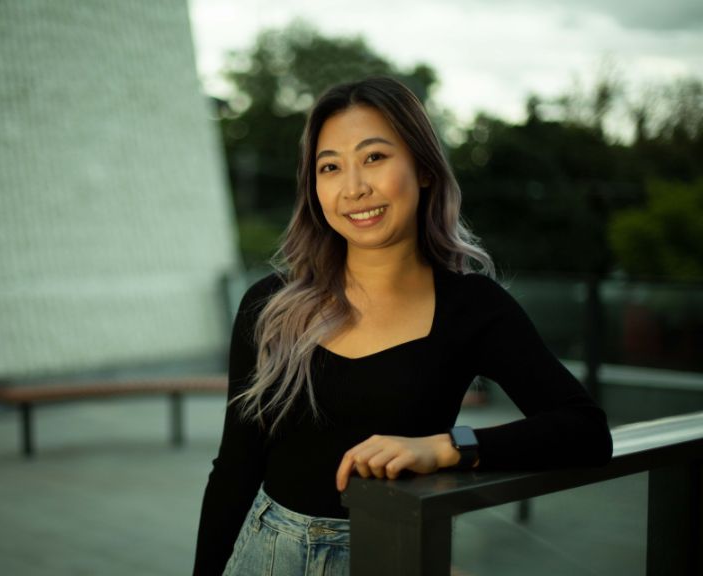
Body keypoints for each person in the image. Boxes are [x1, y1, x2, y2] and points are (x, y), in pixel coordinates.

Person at [193, 76, 612, 576]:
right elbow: (235, 471)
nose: (354, 188)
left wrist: (448, 446)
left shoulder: (472, 307)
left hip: (399, 553)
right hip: (265, 557)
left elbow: (585, 431)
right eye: (330, 167)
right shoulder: (271, 305)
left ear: (424, 169)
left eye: (374, 157)